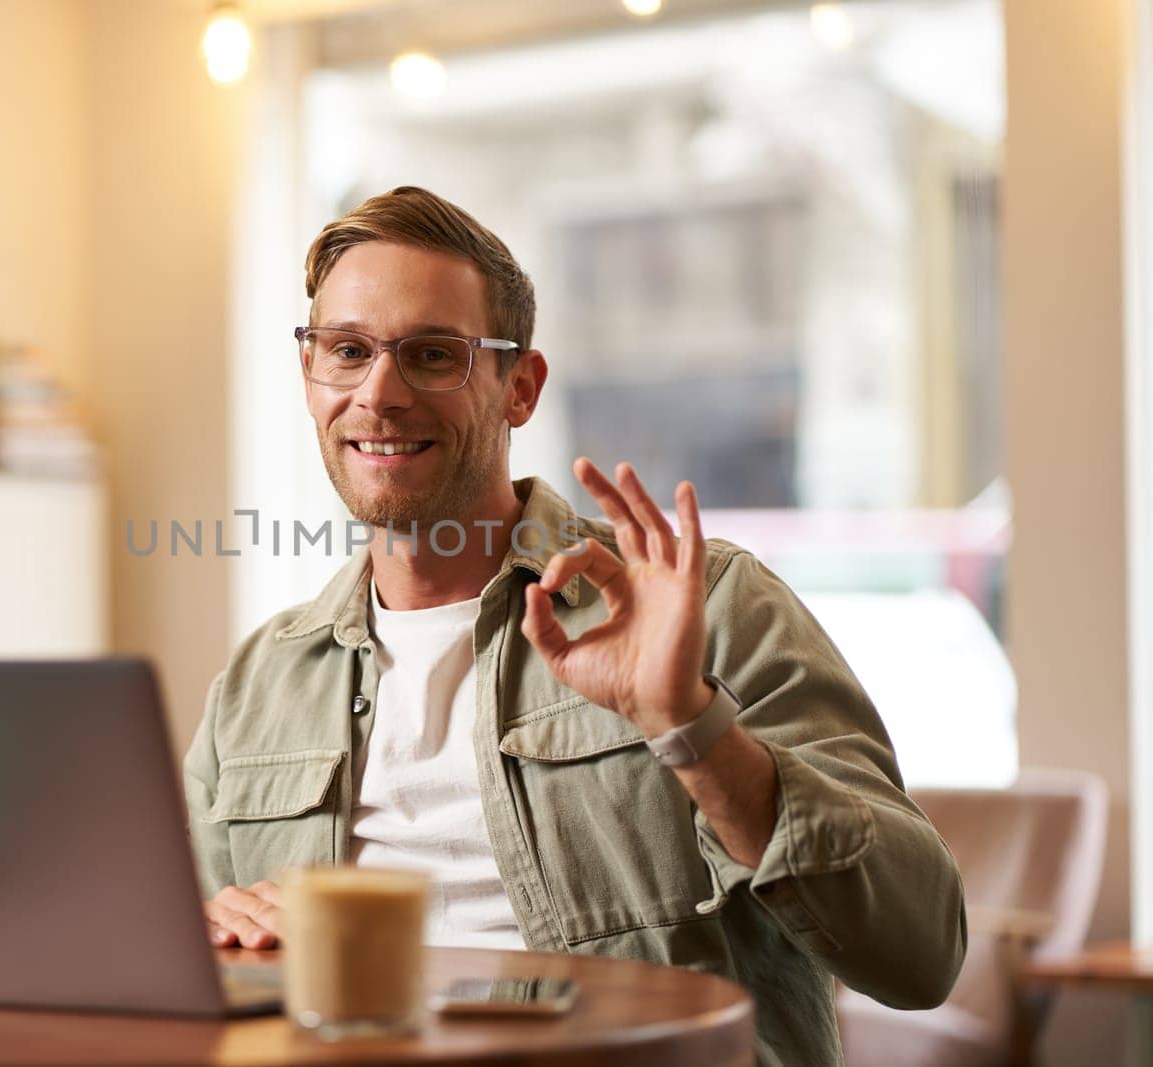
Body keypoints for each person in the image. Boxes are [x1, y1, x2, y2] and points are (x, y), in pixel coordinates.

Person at [184, 186, 965, 1065]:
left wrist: (692, 726)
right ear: (310, 374)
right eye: (348, 350)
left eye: (433, 355)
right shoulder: (260, 684)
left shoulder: (702, 605)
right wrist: (209, 937)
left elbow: (920, 954)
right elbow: (176, 977)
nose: (381, 392)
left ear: (519, 386)